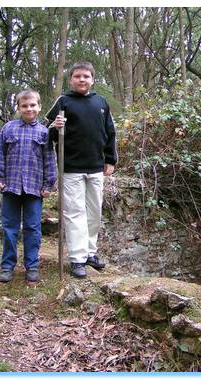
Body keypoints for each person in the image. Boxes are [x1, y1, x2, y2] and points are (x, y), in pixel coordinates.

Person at [46, 61, 117, 279]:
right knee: (75, 212)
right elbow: (45, 131)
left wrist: (110, 160)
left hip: (96, 167)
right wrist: (54, 128)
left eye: (86, 76)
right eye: (77, 76)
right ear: (71, 79)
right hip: (71, 168)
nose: (82, 80)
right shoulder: (63, 101)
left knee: (94, 212)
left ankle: (90, 253)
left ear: (92, 79)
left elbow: (110, 132)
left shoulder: (101, 102)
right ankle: (77, 258)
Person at [0, 89, 57, 283]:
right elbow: (0, 155)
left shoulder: (44, 133)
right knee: (10, 228)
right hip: (11, 187)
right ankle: (7, 266)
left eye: (32, 105)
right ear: (19, 108)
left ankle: (32, 266)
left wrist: (48, 184)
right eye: (24, 106)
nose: (28, 109)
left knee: (33, 228)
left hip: (34, 188)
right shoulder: (8, 129)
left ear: (39, 107)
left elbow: (49, 160)